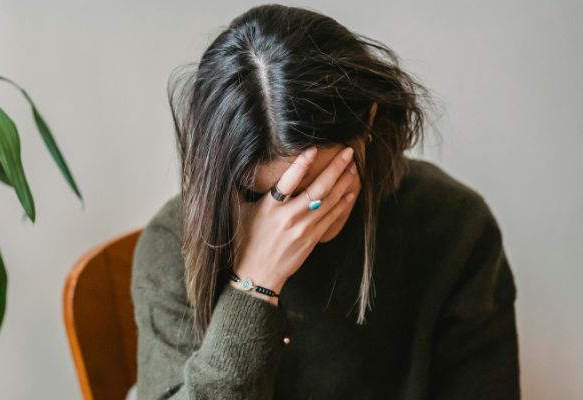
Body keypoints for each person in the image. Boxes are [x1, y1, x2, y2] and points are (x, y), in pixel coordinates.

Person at [130, 4, 519, 399]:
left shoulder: (454, 225)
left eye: (315, 186)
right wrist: (254, 289)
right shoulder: (172, 247)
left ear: (368, 120)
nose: (290, 218)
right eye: (259, 193)